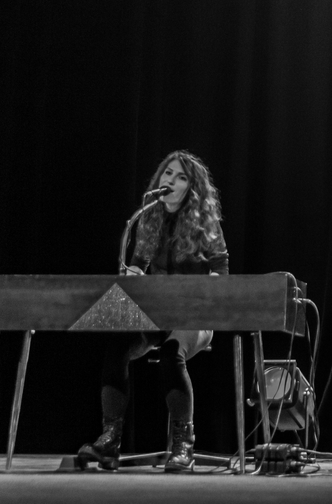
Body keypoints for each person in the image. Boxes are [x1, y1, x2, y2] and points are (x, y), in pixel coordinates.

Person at [76, 150, 230, 472]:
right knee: (117, 346)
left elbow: (221, 270)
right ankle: (109, 441)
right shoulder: (148, 217)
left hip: (195, 318)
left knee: (172, 353)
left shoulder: (206, 223)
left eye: (181, 177)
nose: (171, 180)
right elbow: (138, 266)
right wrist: (131, 274)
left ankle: (183, 445)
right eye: (167, 174)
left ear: (192, 188)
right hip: (155, 316)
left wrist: (208, 288)